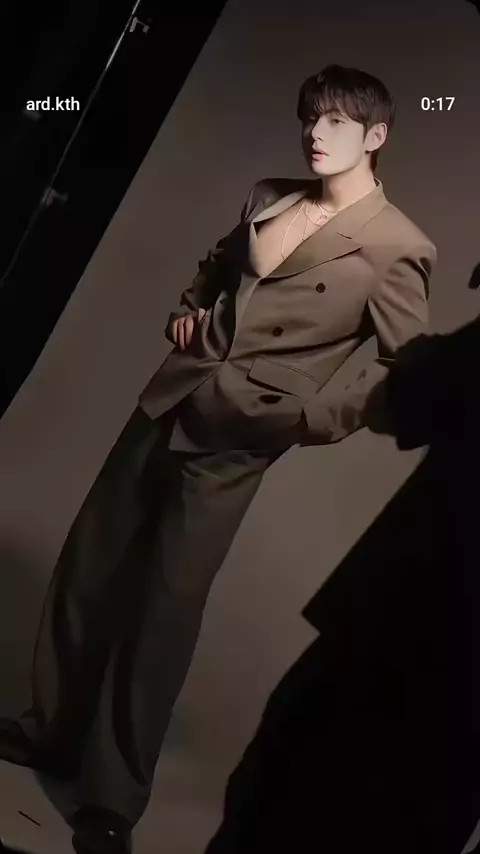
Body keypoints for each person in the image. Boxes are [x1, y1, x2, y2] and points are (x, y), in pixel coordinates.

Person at [0, 64, 436, 854]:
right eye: (310, 117)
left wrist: (307, 415)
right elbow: (215, 265)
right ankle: (49, 731)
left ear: (376, 135)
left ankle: (110, 798)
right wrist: (188, 310)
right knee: (89, 569)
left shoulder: (397, 246)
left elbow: (404, 366)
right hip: (169, 399)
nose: (316, 132)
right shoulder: (271, 193)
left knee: (164, 611)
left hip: (240, 436)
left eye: (337, 121)